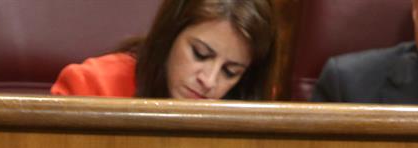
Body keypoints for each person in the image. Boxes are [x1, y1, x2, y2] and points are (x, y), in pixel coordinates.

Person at [50, 0, 275, 100]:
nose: (209, 81)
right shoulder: (90, 86)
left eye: (230, 71)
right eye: (200, 54)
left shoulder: (254, 108)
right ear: (169, 35)